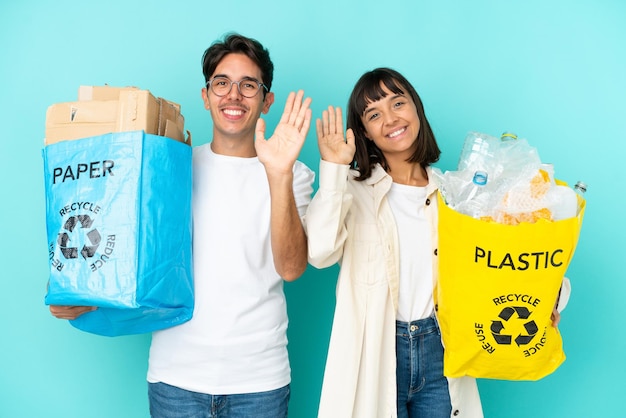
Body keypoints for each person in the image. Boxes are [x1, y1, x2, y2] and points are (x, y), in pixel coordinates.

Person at [51, 33, 315, 418]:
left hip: (259, 381)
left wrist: (278, 174)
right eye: (222, 83)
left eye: (248, 85)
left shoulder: (294, 173)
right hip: (176, 379)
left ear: (266, 100)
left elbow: (291, 268)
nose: (234, 95)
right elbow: (128, 246)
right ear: (206, 96)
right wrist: (76, 285)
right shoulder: (171, 168)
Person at [305, 67, 483, 417]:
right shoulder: (351, 191)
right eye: (374, 114)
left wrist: (549, 300)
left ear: (415, 109)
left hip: (440, 351)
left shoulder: (453, 193)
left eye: (397, 103)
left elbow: (488, 262)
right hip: (378, 349)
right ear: (365, 133)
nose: (390, 119)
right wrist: (334, 170)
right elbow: (320, 252)